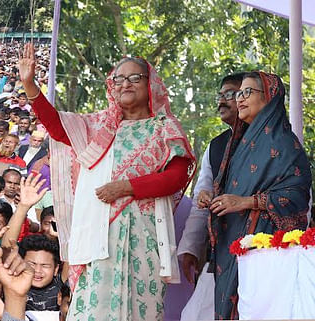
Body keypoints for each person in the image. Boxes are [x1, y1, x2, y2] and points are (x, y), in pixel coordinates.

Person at [21, 42, 195, 320]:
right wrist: (30, 86)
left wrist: (126, 188)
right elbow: (56, 126)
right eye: (118, 78)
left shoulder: (164, 127)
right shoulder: (97, 126)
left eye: (134, 78)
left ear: (151, 84)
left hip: (143, 234)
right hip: (97, 235)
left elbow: (175, 177)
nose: (125, 84)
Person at [203, 72, 311, 319]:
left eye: (248, 92)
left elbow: (296, 196)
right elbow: (234, 189)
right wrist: (212, 197)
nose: (240, 99)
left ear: (270, 98)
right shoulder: (240, 143)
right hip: (234, 243)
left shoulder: (283, 143)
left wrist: (247, 202)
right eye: (239, 93)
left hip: (266, 248)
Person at [177, 73, 245, 319]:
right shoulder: (216, 147)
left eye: (230, 94)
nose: (221, 102)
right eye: (220, 95)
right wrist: (191, 247)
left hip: (264, 251)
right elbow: (200, 200)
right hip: (221, 252)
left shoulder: (276, 142)